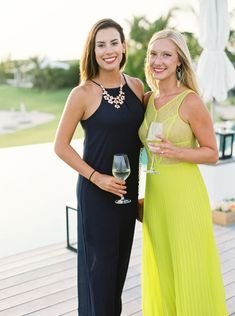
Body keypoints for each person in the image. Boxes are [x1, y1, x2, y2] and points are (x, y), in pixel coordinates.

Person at [54, 18, 144, 316]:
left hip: (128, 193)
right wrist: (96, 177)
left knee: (118, 273)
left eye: (113, 43)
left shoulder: (135, 86)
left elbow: (142, 139)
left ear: (123, 46)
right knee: (99, 274)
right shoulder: (82, 94)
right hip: (97, 196)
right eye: (100, 45)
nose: (108, 50)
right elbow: (61, 146)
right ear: (92, 51)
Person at [138, 29, 228, 316]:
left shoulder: (191, 101)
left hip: (185, 197)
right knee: (163, 268)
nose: (158, 60)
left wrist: (178, 153)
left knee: (190, 268)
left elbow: (212, 153)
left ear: (179, 62)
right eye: (153, 53)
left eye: (166, 54)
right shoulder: (146, 100)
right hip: (156, 196)